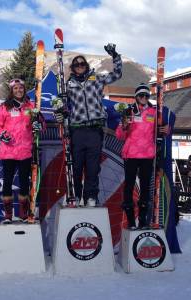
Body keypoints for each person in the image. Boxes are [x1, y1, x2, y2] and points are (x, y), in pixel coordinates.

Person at [55, 44, 122, 207]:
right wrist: (59, 110)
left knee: (92, 168)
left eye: (82, 64)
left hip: (94, 130)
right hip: (77, 130)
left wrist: (115, 56)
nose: (80, 67)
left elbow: (117, 74)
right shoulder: (67, 84)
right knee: (76, 167)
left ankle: (91, 197)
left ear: (86, 66)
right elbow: (59, 102)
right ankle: (76, 196)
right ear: (73, 68)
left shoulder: (97, 78)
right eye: (76, 65)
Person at [115, 83, 169, 229]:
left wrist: (166, 129)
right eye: (141, 95)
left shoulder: (154, 112)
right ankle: (131, 221)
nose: (144, 98)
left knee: (145, 188)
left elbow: (162, 131)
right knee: (129, 187)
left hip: (147, 155)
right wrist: (124, 126)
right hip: (131, 154)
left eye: (146, 95)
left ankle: (143, 221)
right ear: (136, 97)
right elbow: (119, 135)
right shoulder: (129, 111)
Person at [0, 78, 45, 223]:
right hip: (8, 151)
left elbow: (42, 123)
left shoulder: (31, 106)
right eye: (15, 88)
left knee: (24, 182)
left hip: (25, 151)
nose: (18, 90)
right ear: (11, 91)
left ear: (24, 89)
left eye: (20, 88)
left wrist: (39, 125)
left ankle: (23, 212)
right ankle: (8, 214)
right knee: (7, 182)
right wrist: (2, 134)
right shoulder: (5, 107)